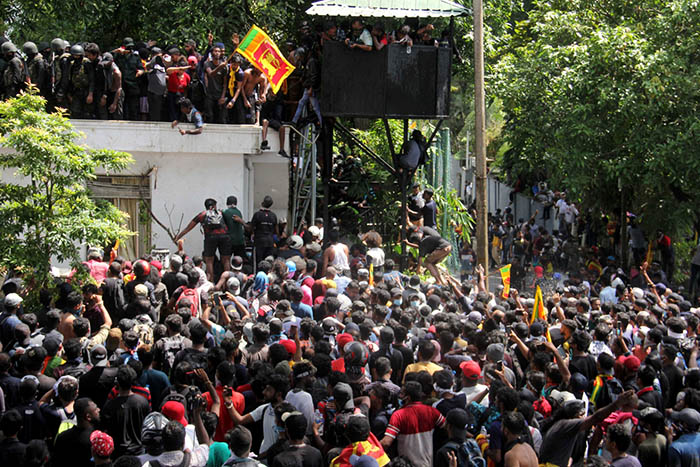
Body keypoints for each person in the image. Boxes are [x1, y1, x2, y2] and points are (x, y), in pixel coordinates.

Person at [381, 381, 446, 467]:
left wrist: (372, 451)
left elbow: (386, 442)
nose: (400, 396)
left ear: (408, 398)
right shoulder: (432, 411)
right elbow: (448, 427)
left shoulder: (398, 415)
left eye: (402, 394)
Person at [175, 198, 231, 281]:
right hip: (224, 236)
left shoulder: (202, 214)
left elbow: (188, 228)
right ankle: (228, 281)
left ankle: (210, 282)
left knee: (209, 261)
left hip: (210, 237)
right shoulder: (221, 213)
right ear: (214, 206)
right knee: (226, 260)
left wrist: (178, 237)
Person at [101, 366, 150, 458]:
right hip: (139, 452)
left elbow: (105, 428)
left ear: (118, 383)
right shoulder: (142, 402)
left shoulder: (110, 406)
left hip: (118, 454)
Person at [250, 196, 278, 264]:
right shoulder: (273, 216)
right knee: (268, 261)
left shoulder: (257, 214)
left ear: (262, 203)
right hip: (270, 242)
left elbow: (250, 228)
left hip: (259, 242)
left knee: (258, 262)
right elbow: (276, 231)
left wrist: (241, 221)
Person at [222, 196, 247, 260]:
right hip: (240, 241)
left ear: (227, 203)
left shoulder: (226, 212)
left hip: (230, 240)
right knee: (239, 259)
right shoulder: (239, 212)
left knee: (226, 260)